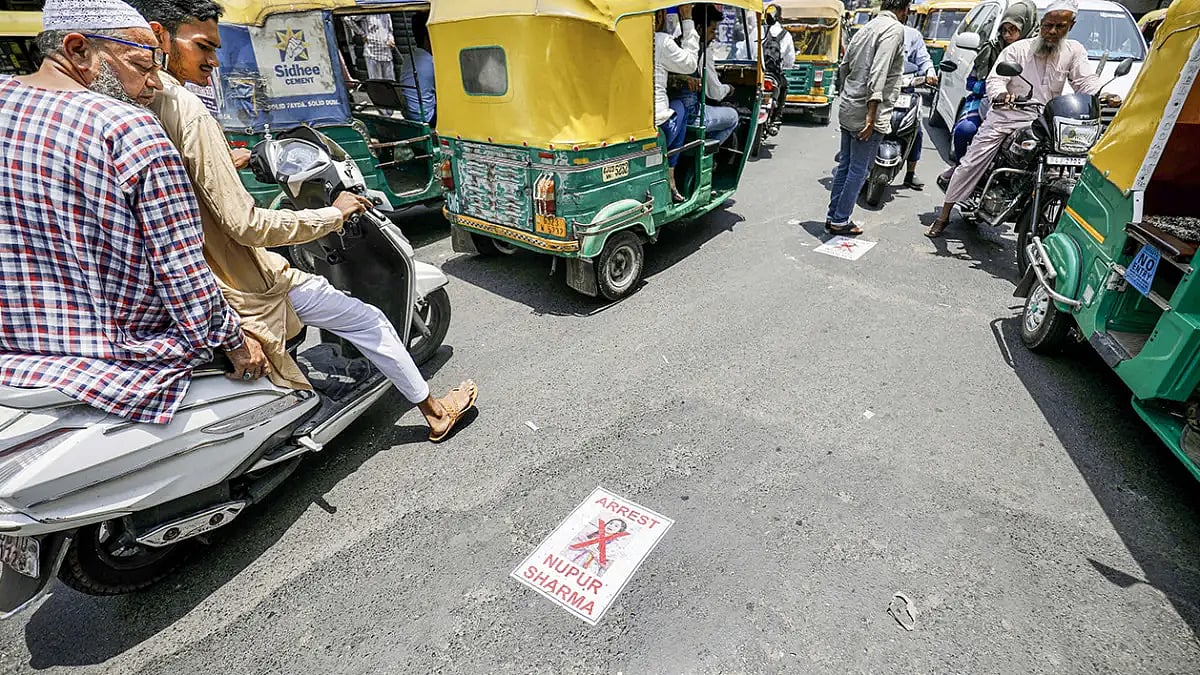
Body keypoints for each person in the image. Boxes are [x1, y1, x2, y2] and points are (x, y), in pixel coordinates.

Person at [129, 0, 479, 442]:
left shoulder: (146, 100)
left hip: (204, 274)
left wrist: (227, 161)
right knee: (368, 320)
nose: (214, 61)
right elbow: (247, 225)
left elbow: (183, 177)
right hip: (243, 279)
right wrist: (332, 215)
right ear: (161, 38)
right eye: (203, 47)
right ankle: (435, 413)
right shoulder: (189, 110)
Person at [0, 0, 269, 425]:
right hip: (121, 363)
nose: (156, 84)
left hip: (15, 361)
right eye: (143, 66)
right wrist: (233, 340)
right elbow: (181, 267)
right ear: (78, 49)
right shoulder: (128, 128)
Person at [925, 0, 1121, 238]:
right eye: (1048, 25)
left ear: (1071, 25)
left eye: (1060, 27)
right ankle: (944, 215)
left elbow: (1084, 81)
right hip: (1007, 116)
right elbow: (995, 79)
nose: (1052, 32)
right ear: (1040, 24)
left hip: (1044, 122)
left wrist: (1103, 93)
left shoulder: (1074, 51)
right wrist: (1000, 95)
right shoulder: (1017, 50)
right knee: (972, 162)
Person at [823, 0, 909, 236]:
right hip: (867, 111)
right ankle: (840, 219)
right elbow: (878, 73)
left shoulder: (867, 28)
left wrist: (848, 95)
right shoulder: (894, 29)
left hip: (850, 106)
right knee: (859, 170)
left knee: (846, 167)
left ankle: (833, 216)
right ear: (904, 9)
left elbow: (845, 66)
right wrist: (871, 117)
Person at [938, 0, 1037, 189]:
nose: (1007, 35)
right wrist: (992, 91)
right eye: (1004, 30)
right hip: (986, 103)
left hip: (1026, 109)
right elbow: (970, 82)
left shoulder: (1039, 52)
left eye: (1013, 30)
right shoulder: (990, 49)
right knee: (964, 130)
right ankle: (961, 169)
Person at [654, 5, 700, 202]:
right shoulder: (661, 41)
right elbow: (690, 64)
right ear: (661, 15)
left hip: (632, 120)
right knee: (680, 106)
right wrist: (688, 20)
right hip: (658, 121)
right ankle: (671, 171)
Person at [681, 4, 740, 147]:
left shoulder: (675, 44)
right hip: (693, 115)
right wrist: (729, 88)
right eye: (712, 30)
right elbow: (716, 93)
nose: (714, 36)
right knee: (733, 116)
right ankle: (708, 155)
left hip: (678, 110)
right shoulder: (703, 54)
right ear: (700, 29)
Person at [900, 24, 938, 190]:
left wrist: (930, 72)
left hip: (905, 88)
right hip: (880, 88)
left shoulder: (912, 35)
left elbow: (924, 59)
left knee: (916, 130)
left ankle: (910, 173)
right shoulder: (878, 30)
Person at [396, 12, 435, 126]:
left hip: (409, 113)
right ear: (427, 40)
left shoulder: (410, 57)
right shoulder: (430, 62)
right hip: (426, 116)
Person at [763, 4, 794, 128]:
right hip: (775, 74)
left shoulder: (758, 30)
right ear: (780, 17)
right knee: (784, 87)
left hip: (759, 72)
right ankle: (776, 119)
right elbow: (790, 60)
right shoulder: (786, 35)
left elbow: (744, 51)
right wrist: (786, 65)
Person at [348, 13, 394, 81]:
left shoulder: (386, 13)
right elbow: (348, 19)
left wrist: (391, 39)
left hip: (386, 52)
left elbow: (390, 30)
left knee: (390, 82)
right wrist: (362, 33)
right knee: (377, 83)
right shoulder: (367, 11)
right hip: (372, 52)